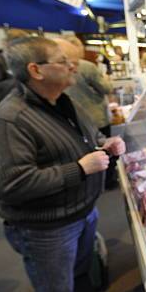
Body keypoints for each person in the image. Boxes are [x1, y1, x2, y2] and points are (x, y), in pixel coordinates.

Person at [0, 37, 127, 292]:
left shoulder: (65, 100)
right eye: (62, 61)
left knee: (82, 277)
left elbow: (86, 136)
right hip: (47, 228)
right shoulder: (10, 118)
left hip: (81, 213)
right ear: (36, 70)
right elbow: (11, 184)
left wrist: (103, 143)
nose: (72, 66)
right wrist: (80, 169)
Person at [55, 37, 117, 188]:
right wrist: (80, 169)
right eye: (69, 63)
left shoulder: (62, 100)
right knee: (102, 155)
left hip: (82, 121)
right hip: (95, 116)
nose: (74, 69)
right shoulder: (88, 67)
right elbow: (106, 88)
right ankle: (106, 182)